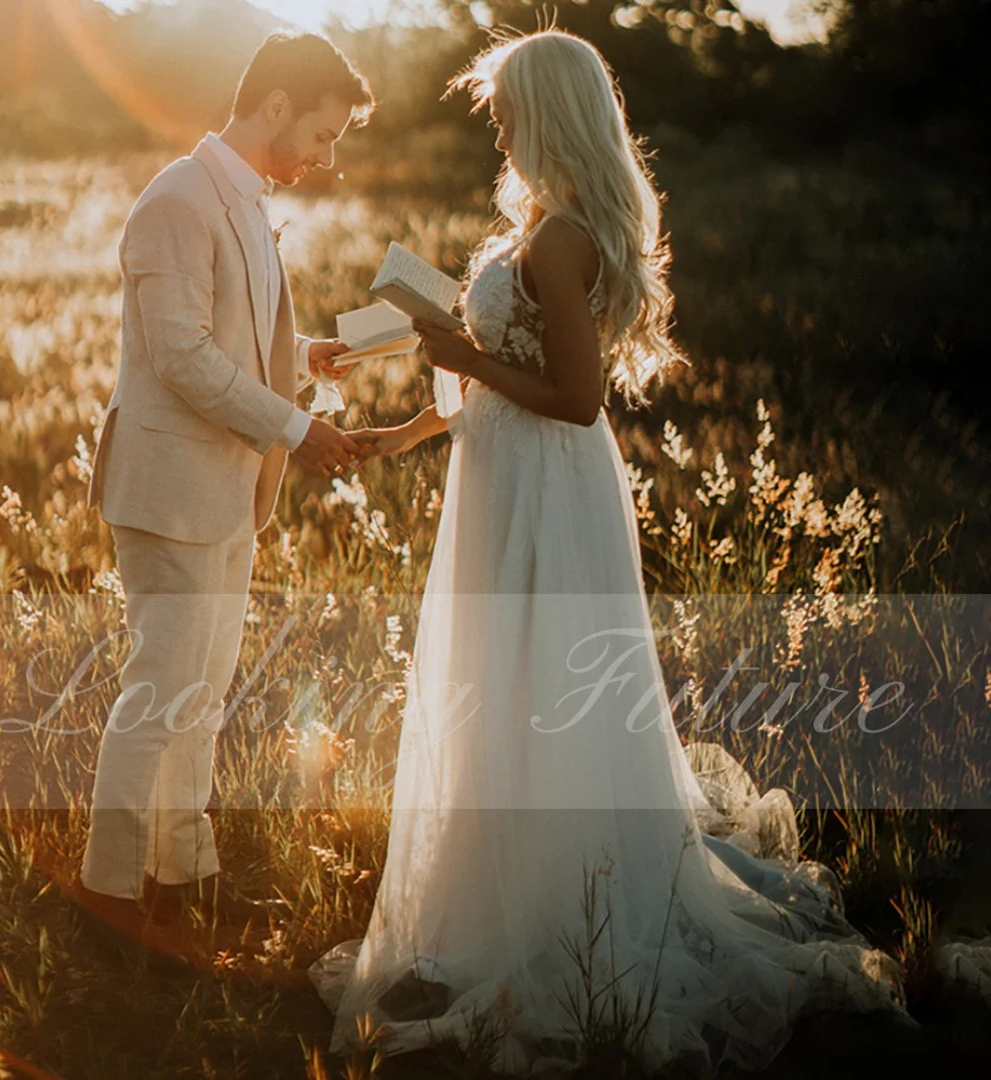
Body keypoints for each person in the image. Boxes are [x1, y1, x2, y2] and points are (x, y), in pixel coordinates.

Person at [307, 28, 913, 1076]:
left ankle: (563, 906)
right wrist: (404, 430)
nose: (494, 125)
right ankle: (494, 886)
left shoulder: (563, 238)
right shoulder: (535, 223)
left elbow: (576, 401)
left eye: (506, 109)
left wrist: (456, 352)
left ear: (549, 113)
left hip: (550, 487)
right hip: (502, 478)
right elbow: (499, 373)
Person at [75, 31, 374, 944]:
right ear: (276, 105)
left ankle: (182, 875)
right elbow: (180, 356)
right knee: (159, 689)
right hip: (166, 490)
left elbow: (232, 343)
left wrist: (302, 360)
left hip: (229, 488)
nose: (325, 161)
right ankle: (109, 894)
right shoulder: (175, 200)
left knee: (201, 693)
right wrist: (297, 426)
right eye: (321, 136)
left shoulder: (244, 198)